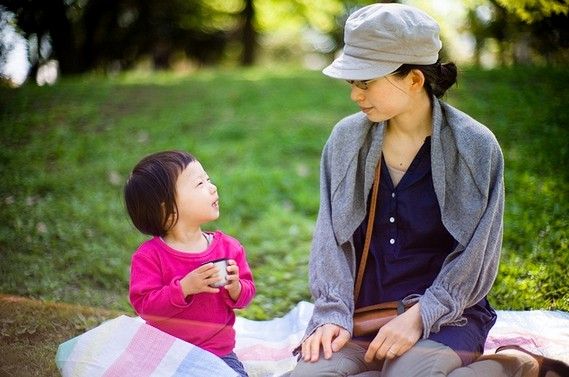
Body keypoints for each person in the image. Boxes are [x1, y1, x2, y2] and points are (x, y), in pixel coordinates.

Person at [291, 3, 569, 377]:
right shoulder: (346, 140)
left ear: (414, 80)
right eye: (351, 82)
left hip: (448, 314)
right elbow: (330, 237)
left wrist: (421, 317)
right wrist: (330, 313)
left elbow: (477, 256)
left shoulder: (475, 147)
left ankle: (513, 365)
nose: (354, 95)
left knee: (410, 374)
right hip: (364, 314)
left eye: (365, 81)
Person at [124, 150, 255, 377]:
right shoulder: (149, 257)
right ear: (167, 208)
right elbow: (145, 307)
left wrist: (236, 288)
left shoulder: (229, 249)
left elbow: (246, 294)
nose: (212, 187)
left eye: (208, 179)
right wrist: (184, 288)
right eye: (199, 183)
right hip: (168, 355)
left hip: (218, 353)